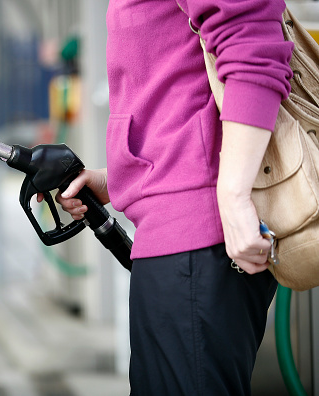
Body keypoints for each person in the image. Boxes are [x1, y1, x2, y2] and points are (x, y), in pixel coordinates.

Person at [55, 0, 294, 394]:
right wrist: (120, 179)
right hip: (180, 238)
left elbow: (251, 42)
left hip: (198, 242)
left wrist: (233, 197)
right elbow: (175, 85)